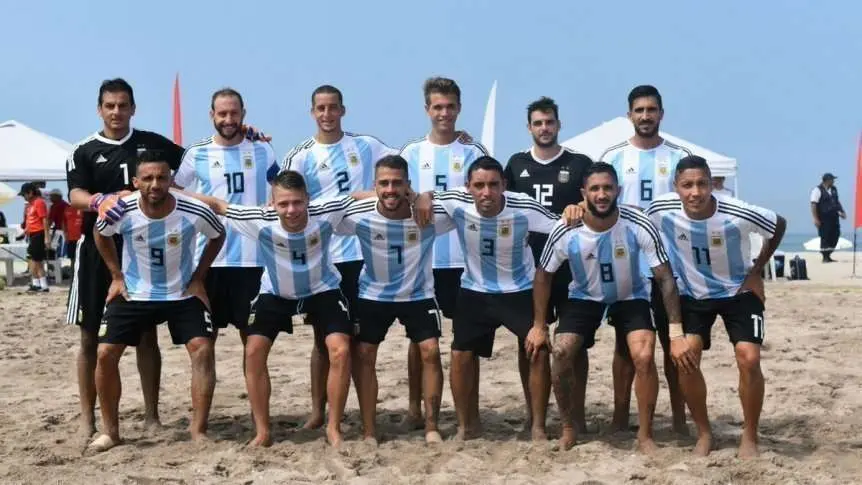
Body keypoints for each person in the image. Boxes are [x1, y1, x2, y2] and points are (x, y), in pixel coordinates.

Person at [65, 78, 266, 439]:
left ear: (133, 108)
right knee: (90, 337)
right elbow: (75, 193)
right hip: (102, 250)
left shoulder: (153, 144)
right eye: (109, 105)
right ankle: (87, 418)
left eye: (123, 105)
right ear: (99, 109)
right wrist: (99, 201)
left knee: (146, 337)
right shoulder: (84, 149)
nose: (116, 111)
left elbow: (203, 156)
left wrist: (239, 130)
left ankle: (152, 415)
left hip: (152, 253)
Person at [185, 170, 356, 448]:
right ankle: (263, 431)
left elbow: (356, 197)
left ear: (308, 199)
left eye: (297, 203)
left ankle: (333, 427)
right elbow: (217, 204)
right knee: (253, 351)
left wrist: (415, 197)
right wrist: (172, 191)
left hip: (322, 289)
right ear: (271, 204)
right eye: (283, 204)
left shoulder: (326, 211)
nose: (291, 210)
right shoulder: (259, 219)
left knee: (341, 349)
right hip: (276, 292)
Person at [414, 156, 570, 441]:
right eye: (479, 186)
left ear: (504, 186)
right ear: (468, 187)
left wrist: (576, 209)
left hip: (519, 290)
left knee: (538, 349)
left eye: (493, 185)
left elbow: (561, 225)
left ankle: (536, 425)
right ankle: (466, 425)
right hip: (475, 291)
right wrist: (425, 195)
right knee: (460, 354)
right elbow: (420, 198)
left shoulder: (523, 206)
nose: (486, 192)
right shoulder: (456, 201)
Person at [534, 162, 681, 453]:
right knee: (561, 352)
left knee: (644, 354)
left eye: (608, 188)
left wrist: (675, 330)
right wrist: (539, 324)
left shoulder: (638, 223)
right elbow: (543, 275)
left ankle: (645, 434)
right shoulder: (566, 228)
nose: (602, 195)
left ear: (618, 190)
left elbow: (665, 277)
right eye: (595, 189)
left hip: (630, 296)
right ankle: (568, 426)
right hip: (584, 297)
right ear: (583, 193)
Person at [647, 155, 787, 459]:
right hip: (694, 294)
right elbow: (634, 222)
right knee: (685, 357)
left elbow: (778, 225)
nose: (695, 192)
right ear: (676, 187)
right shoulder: (661, 208)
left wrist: (756, 270)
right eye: (687, 185)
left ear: (712, 185)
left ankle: (749, 435)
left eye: (701, 184)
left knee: (748, 358)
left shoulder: (738, 212)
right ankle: (704, 433)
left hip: (738, 291)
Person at [89, 150, 225, 452]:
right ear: (136, 182)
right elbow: (101, 234)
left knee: (202, 349)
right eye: (147, 178)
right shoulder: (121, 209)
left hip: (181, 293)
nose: (155, 184)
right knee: (105, 354)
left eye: (162, 178)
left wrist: (199, 277)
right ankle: (111, 432)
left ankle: (198, 430)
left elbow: (218, 235)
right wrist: (116, 275)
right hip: (134, 293)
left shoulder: (194, 209)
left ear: (171, 180)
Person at [280, 84, 398, 430]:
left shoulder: (366, 145)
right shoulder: (301, 155)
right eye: (321, 108)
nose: (327, 114)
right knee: (323, 339)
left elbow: (400, 163)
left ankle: (364, 416)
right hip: (322, 258)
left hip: (363, 255)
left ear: (343, 110)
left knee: (360, 341)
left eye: (333, 108)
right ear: (312, 112)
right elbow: (285, 199)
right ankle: (319, 411)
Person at [598, 84, 692, 434]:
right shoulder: (614, 158)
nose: (645, 116)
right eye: (639, 111)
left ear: (661, 115)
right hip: (626, 269)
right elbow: (601, 206)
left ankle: (680, 418)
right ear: (629, 116)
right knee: (627, 347)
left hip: (672, 267)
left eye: (651, 110)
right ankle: (621, 415)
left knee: (674, 345)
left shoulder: (678, 156)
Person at [343, 155, 453, 444]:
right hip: (373, 294)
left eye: (397, 183)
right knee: (364, 354)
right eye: (384, 183)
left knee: (430, 351)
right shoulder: (359, 214)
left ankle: (430, 426)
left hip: (418, 294)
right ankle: (369, 430)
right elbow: (321, 208)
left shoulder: (428, 214)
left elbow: (467, 198)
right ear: (374, 186)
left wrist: (426, 196)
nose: (391, 189)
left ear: (408, 185)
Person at [400, 77, 488, 428]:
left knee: (469, 341)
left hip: (466, 262)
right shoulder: (410, 153)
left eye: (450, 106)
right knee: (420, 339)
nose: (444, 113)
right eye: (437, 107)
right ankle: (413, 409)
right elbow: (398, 192)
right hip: (423, 262)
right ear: (427, 110)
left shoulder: (473, 153)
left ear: (459, 108)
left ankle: (473, 411)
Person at [503, 96, 593, 432]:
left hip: (573, 267)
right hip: (528, 266)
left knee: (575, 342)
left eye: (549, 122)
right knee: (530, 341)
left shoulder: (579, 162)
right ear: (529, 128)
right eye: (538, 123)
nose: (544, 128)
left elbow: (597, 197)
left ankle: (578, 414)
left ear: (559, 124)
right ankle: (534, 414)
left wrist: (581, 206)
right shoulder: (515, 164)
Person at [173, 88, 278, 363]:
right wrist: (207, 201)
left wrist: (273, 203)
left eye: (234, 113)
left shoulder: (261, 148)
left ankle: (258, 408)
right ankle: (204, 408)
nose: (228, 119)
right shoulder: (197, 153)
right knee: (204, 347)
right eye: (222, 113)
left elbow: (281, 187)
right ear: (212, 115)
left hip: (253, 260)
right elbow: (172, 191)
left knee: (255, 349)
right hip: (210, 260)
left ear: (243, 114)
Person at [19, 183, 50, 291]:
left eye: (24, 195)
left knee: (37, 260)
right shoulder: (30, 204)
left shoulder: (39, 202)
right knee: (33, 259)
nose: (24, 197)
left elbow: (44, 220)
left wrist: (47, 237)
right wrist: (24, 233)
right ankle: (37, 283)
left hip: (39, 233)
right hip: (32, 234)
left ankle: (43, 284)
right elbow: (29, 222)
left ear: (30, 193)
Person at [810, 172, 845, 262]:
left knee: (835, 235)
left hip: (834, 217)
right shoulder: (817, 190)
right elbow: (814, 204)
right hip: (823, 218)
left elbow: (837, 202)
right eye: (832, 179)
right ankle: (825, 257)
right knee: (825, 237)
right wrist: (815, 218)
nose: (833, 181)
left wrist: (842, 211)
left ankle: (828, 254)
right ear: (827, 180)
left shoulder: (834, 189)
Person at [63, 198, 84, 269]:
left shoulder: (83, 208)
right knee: (72, 259)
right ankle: (72, 277)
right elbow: (63, 222)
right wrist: (65, 233)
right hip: (71, 238)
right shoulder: (67, 209)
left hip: (81, 239)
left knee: (82, 259)